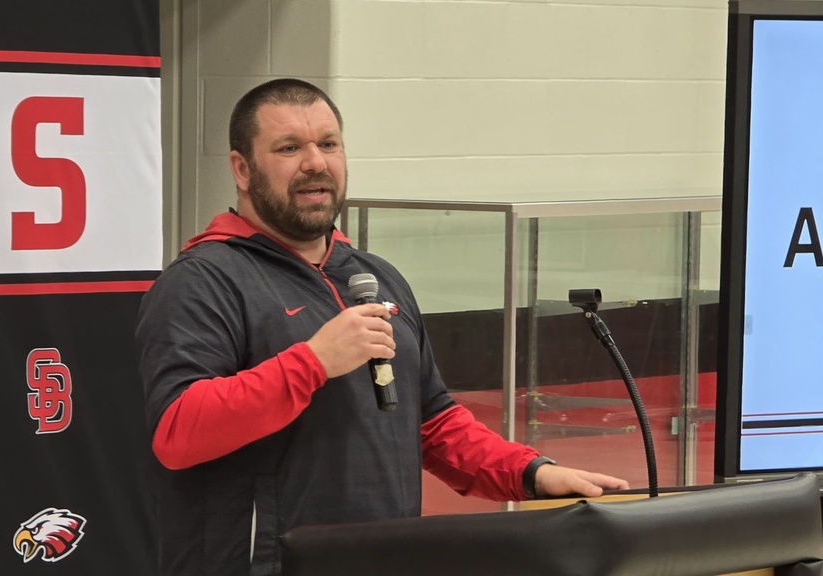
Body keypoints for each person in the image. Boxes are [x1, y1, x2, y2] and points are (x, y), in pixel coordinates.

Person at [135, 78, 629, 576]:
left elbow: (432, 422)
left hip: (386, 558)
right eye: (289, 148)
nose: (315, 162)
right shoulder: (202, 281)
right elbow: (178, 432)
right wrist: (313, 362)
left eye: (328, 144)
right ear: (242, 169)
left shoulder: (373, 277)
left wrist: (531, 472)